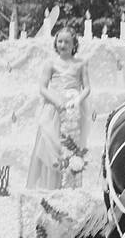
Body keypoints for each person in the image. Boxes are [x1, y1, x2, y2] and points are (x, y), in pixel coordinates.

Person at [27, 26, 92, 189]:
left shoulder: (81, 63)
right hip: (53, 109)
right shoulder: (50, 63)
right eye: (60, 41)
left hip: (73, 110)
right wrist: (56, 102)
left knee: (71, 146)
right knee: (50, 146)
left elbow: (87, 88)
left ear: (74, 44)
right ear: (55, 43)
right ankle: (50, 186)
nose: (63, 45)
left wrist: (77, 100)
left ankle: (71, 184)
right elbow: (42, 87)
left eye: (67, 42)